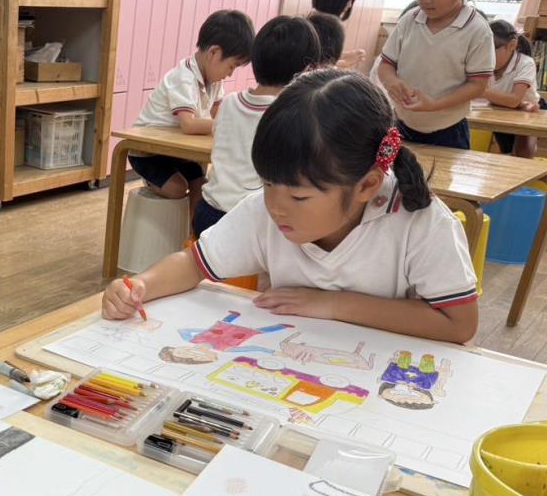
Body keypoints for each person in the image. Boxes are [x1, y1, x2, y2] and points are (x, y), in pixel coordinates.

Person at [102, 69, 479, 345]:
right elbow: (193, 263)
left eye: (299, 197)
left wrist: (334, 305)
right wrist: (140, 285)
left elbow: (459, 324)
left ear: (367, 185)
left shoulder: (421, 223)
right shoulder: (266, 210)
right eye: (267, 183)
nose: (276, 207)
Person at [195, 16, 321, 236]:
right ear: (305, 71)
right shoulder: (289, 114)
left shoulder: (230, 102)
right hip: (248, 221)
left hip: (207, 212)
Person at [130, 9, 254, 216]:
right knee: (177, 188)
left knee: (201, 185)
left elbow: (218, 115)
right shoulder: (183, 78)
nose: (230, 73)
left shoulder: (214, 81)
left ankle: (194, 233)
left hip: (175, 152)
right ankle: (151, 181)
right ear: (213, 53)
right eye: (231, 66)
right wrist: (227, 123)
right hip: (147, 152)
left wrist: (229, 122)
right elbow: (189, 124)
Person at [375, 0, 495, 150]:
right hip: (400, 124)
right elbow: (385, 65)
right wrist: (392, 82)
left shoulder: (477, 31)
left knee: (440, 173)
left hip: (448, 131)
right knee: (394, 171)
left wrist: (434, 105)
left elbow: (479, 85)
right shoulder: (409, 20)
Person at [481, 19, 540, 158]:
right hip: (498, 109)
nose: (486, 56)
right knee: (506, 152)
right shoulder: (483, 63)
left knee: (523, 155)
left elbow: (514, 100)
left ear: (511, 45)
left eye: (491, 51)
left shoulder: (526, 63)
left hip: (528, 112)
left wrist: (477, 90)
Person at [311, 0, 366, 68]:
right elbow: (316, 69)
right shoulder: (321, 28)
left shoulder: (315, 19)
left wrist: (344, 56)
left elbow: (322, 59)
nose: (350, 5)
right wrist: (343, 64)